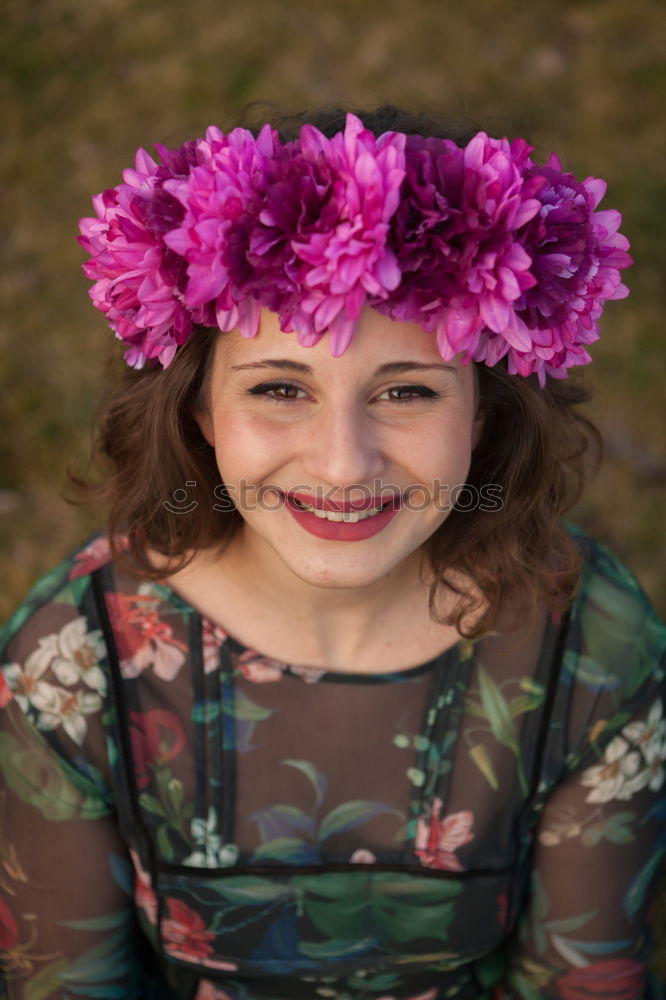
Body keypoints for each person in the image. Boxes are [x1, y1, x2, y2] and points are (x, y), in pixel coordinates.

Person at [0, 105, 664, 1000]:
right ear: (199, 413)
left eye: (406, 391)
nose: (344, 464)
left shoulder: (595, 649)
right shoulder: (70, 668)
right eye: (280, 387)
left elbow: (586, 981)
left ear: (484, 414)